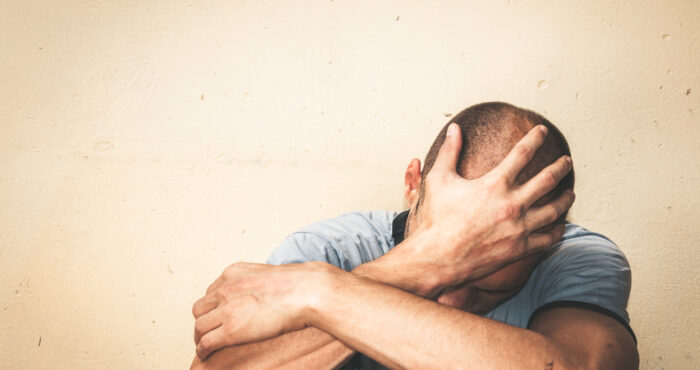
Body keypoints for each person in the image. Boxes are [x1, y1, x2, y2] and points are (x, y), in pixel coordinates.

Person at [190, 102, 639, 369]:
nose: (452, 302)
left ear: (549, 235)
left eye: (486, 283)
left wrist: (322, 293)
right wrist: (417, 267)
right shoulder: (327, 250)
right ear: (412, 185)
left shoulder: (577, 257)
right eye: (448, 244)